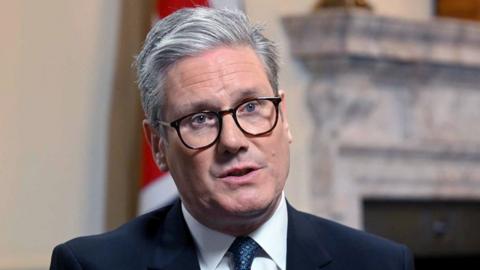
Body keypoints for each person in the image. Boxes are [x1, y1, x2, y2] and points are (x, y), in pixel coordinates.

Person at [50, 7, 415, 270]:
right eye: (201, 118)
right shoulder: (90, 266)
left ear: (283, 117)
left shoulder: (380, 262)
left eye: (252, 107)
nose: (233, 141)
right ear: (158, 145)